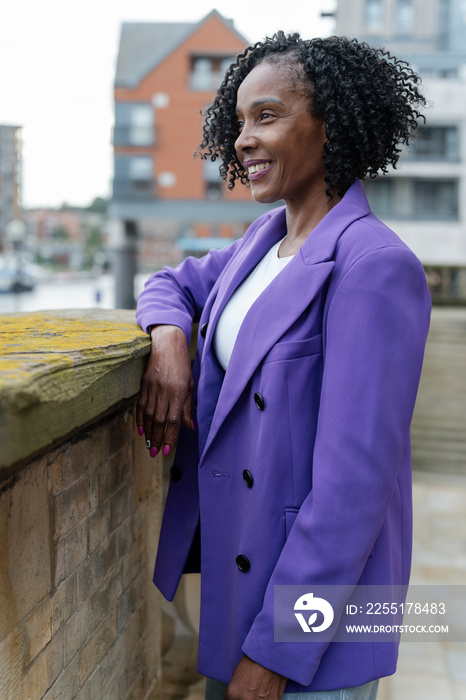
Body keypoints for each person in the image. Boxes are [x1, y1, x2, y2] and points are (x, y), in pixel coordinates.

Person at [136, 33, 431, 700]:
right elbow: (169, 282)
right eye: (238, 121)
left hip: (307, 627)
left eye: (267, 116)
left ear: (331, 125)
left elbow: (352, 491)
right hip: (234, 594)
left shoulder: (374, 265)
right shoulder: (258, 244)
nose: (243, 139)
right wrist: (168, 341)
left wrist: (276, 654)